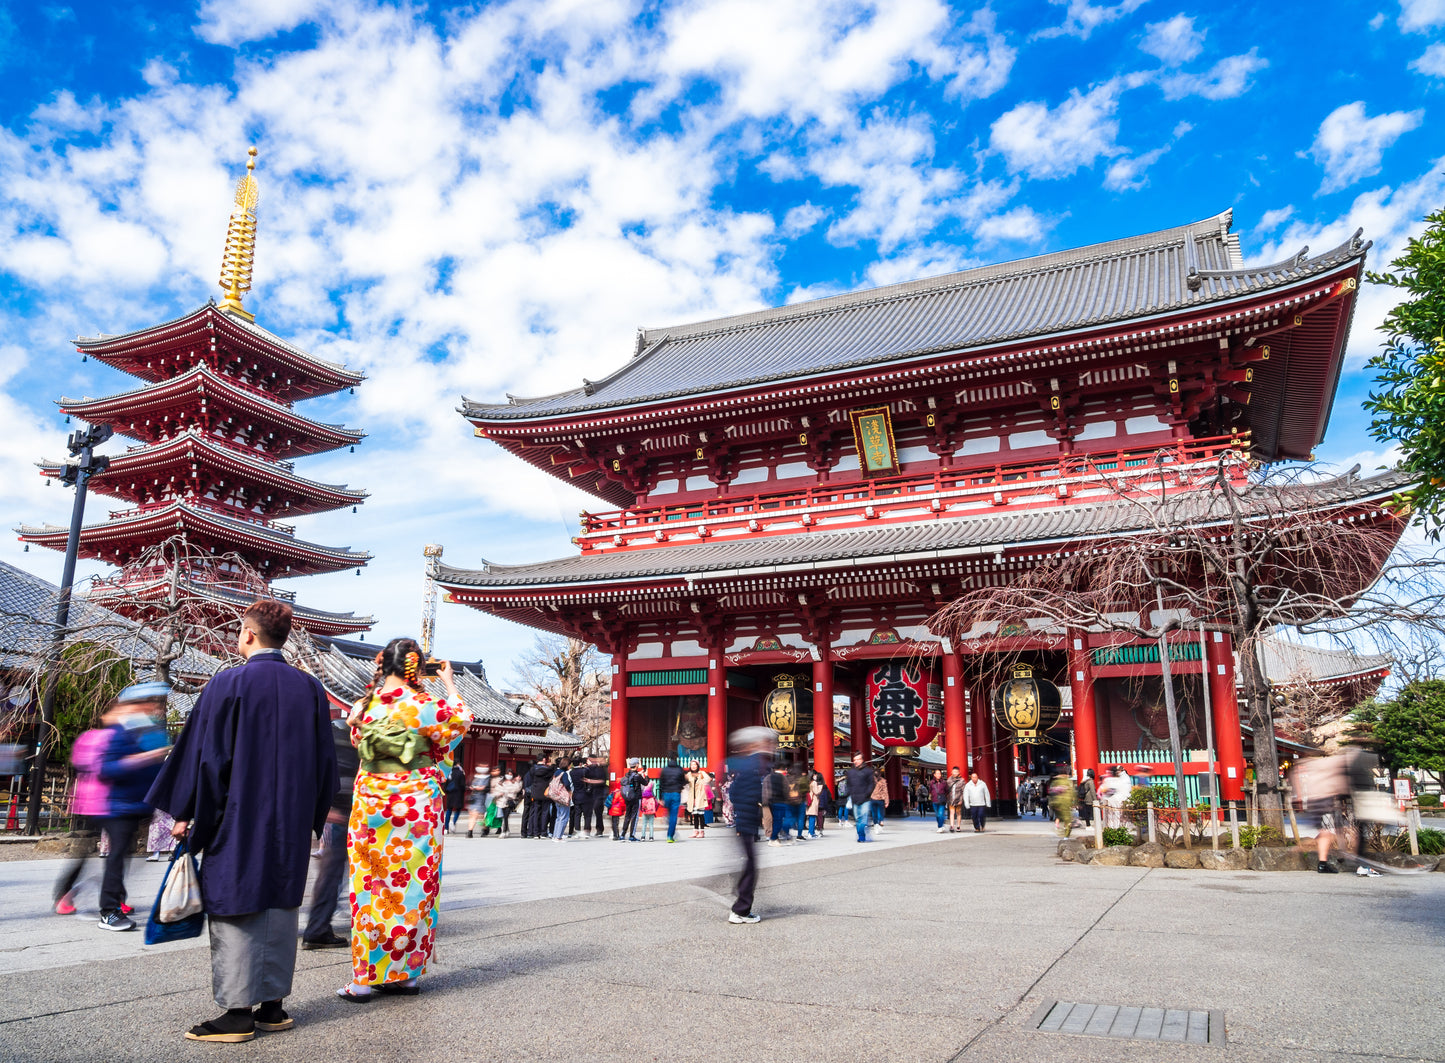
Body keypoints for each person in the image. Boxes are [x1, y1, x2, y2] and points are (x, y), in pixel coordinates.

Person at [147, 600, 337, 1043]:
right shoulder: (309, 689)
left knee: (237, 897)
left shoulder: (228, 682)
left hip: (238, 812)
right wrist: (311, 814)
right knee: (279, 898)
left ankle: (236, 1013)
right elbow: (324, 760)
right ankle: (272, 1006)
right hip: (289, 816)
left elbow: (205, 756)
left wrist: (186, 810)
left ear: (248, 634)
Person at [337, 636, 474, 1001]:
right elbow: (461, 722)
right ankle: (406, 974)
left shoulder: (365, 705)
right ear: (417, 667)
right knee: (415, 886)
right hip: (416, 805)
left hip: (372, 803)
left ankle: (364, 979)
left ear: (383, 665)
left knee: (370, 887)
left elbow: (356, 739)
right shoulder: (426, 705)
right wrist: (448, 681)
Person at [96, 682, 171, 932]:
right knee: (117, 858)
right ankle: (108, 910)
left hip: (139, 806)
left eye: (154, 703)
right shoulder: (119, 731)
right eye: (146, 702)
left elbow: (160, 770)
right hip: (117, 806)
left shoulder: (152, 732)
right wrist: (140, 759)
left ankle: (117, 899)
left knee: (124, 858)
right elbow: (105, 769)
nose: (151, 707)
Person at [53, 704, 121, 916]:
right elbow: (91, 766)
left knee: (119, 851)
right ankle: (64, 894)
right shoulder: (96, 738)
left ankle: (117, 897)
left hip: (106, 801)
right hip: (95, 801)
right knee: (86, 852)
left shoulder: (103, 738)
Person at [302, 712, 359, 949]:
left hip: (329, 814)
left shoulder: (328, 736)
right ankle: (317, 929)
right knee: (330, 873)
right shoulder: (347, 740)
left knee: (330, 873)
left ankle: (318, 925)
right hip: (337, 815)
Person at [727, 726, 773, 923]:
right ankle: (740, 910)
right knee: (750, 866)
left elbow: (733, 792)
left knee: (749, 864)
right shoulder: (755, 764)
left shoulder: (751, 764)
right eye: (768, 743)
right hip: (745, 820)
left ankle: (741, 905)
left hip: (744, 818)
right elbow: (742, 792)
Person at [845, 753, 876, 843]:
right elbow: (849, 785)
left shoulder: (868, 771)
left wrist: (867, 793)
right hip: (855, 798)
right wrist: (849, 794)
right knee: (858, 819)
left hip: (865, 799)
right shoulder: (851, 772)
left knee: (863, 818)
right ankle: (860, 834)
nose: (856, 761)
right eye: (855, 760)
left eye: (858, 759)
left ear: (862, 760)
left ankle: (862, 836)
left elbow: (871, 784)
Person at [658, 756, 686, 841]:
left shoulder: (664, 770)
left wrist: (660, 797)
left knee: (668, 813)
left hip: (666, 793)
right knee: (674, 815)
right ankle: (670, 835)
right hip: (676, 793)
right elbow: (683, 782)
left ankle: (671, 832)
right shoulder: (680, 769)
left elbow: (660, 783)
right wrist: (680, 788)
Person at [547, 756, 574, 841]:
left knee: (558, 817)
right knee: (564, 816)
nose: (570, 767)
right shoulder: (564, 773)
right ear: (567, 765)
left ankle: (555, 835)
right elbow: (567, 784)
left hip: (556, 797)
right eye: (570, 765)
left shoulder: (556, 772)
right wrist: (570, 793)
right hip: (563, 797)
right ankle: (559, 836)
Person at [581, 754, 608, 837]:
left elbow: (602, 781)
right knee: (591, 812)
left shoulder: (598, 769)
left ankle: (596, 829)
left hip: (597, 793)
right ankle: (591, 829)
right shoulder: (588, 769)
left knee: (595, 812)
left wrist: (590, 781)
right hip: (593, 793)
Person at [683, 759, 712, 839]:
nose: (693, 766)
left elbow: (709, 779)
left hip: (700, 796)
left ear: (697, 765)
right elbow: (684, 782)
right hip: (692, 797)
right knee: (695, 815)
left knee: (701, 815)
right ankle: (695, 831)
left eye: (695, 765)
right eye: (692, 765)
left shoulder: (702, 773)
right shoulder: (689, 774)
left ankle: (702, 831)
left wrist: (702, 782)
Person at [766, 764, 792, 845]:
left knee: (778, 820)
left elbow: (766, 791)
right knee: (781, 820)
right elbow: (787, 789)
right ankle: (774, 838)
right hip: (781, 801)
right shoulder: (783, 777)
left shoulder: (768, 777)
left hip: (774, 801)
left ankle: (776, 837)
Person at [620, 759, 645, 841]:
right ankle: (631, 835)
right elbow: (646, 783)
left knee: (627, 815)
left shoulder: (626, 775)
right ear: (637, 765)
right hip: (636, 798)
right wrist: (646, 775)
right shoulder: (638, 776)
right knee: (634, 816)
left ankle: (623, 834)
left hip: (628, 798)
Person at [465, 764, 492, 837]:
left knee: (480, 816)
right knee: (473, 814)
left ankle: (484, 828)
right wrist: (472, 787)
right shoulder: (474, 776)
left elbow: (487, 788)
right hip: (474, 797)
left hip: (482, 797)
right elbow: (468, 784)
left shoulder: (488, 778)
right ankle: (470, 831)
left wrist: (481, 788)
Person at [494, 770, 522, 836]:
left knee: (506, 816)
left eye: (510, 774)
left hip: (510, 801)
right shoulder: (501, 782)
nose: (509, 775)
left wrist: (517, 782)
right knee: (504, 816)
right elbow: (497, 791)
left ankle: (504, 831)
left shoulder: (514, 783)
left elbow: (517, 790)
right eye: (507, 774)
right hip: (501, 801)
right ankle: (506, 830)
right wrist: (500, 793)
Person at [443, 764, 466, 834]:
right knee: (458, 809)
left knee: (449, 810)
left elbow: (445, 784)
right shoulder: (461, 773)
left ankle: (446, 828)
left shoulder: (449, 773)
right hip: (458, 794)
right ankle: (453, 822)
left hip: (450, 794)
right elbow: (463, 785)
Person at [946, 765, 967, 833]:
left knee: (958, 813)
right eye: (953, 771)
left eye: (956, 772)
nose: (954, 773)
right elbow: (947, 790)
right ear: (952, 772)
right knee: (952, 812)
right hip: (951, 799)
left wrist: (961, 799)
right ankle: (952, 826)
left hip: (958, 798)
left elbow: (963, 791)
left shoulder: (962, 781)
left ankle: (958, 826)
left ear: (958, 772)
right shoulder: (949, 780)